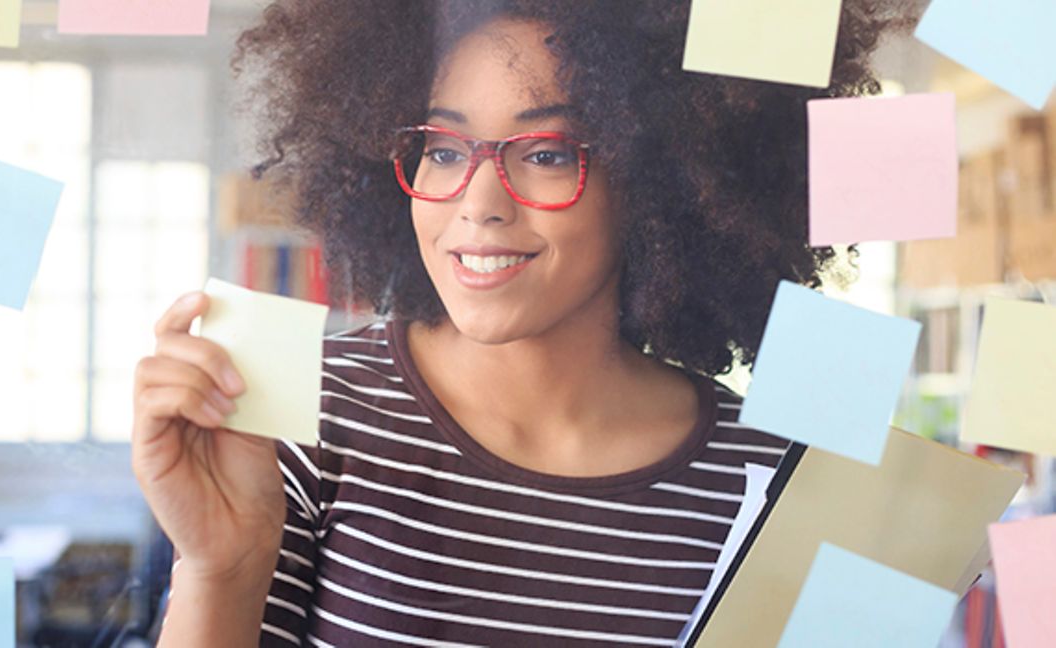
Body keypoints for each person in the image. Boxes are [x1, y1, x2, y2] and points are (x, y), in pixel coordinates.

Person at [131, 1, 903, 645]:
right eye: (442, 149)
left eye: (544, 153)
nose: (479, 202)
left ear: (660, 180)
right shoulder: (301, 416)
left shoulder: (771, 472)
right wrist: (222, 570)